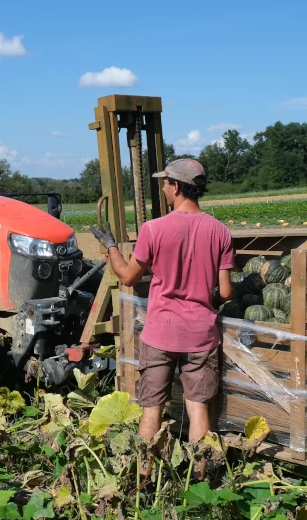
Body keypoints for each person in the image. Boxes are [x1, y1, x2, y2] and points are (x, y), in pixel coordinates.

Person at [91, 158, 234, 445]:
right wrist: (207, 297)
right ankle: (201, 480)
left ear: (177, 187)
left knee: (152, 410)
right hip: (200, 335)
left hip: (161, 334)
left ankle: (143, 476)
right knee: (198, 410)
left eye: (165, 184)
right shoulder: (220, 231)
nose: (164, 189)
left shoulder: (153, 229)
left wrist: (110, 246)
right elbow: (226, 293)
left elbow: (128, 277)